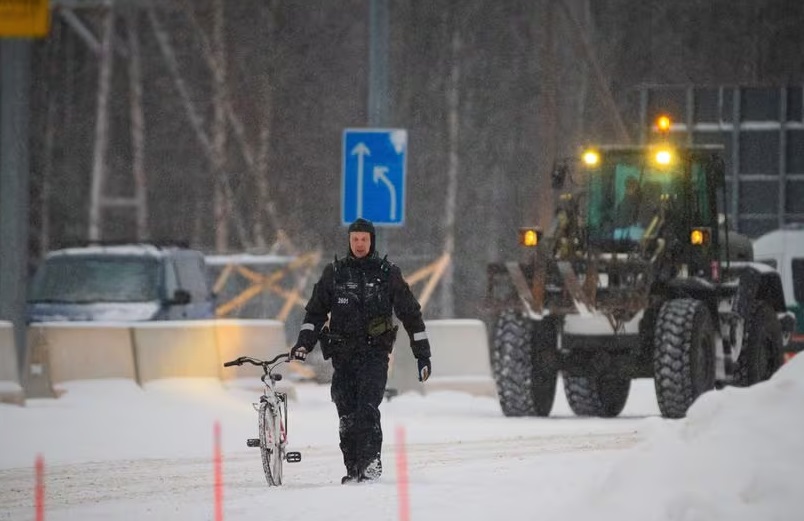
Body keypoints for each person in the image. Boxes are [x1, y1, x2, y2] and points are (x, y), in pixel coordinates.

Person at [289, 218, 432, 484]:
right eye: (355, 239)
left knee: (367, 408)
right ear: (349, 241)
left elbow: (411, 315)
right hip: (343, 356)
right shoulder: (335, 273)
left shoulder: (387, 273)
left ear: (372, 241)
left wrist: (422, 354)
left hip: (374, 355)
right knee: (346, 414)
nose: (359, 244)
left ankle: (370, 464)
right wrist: (303, 344)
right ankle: (353, 468)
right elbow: (315, 312)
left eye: (364, 239)